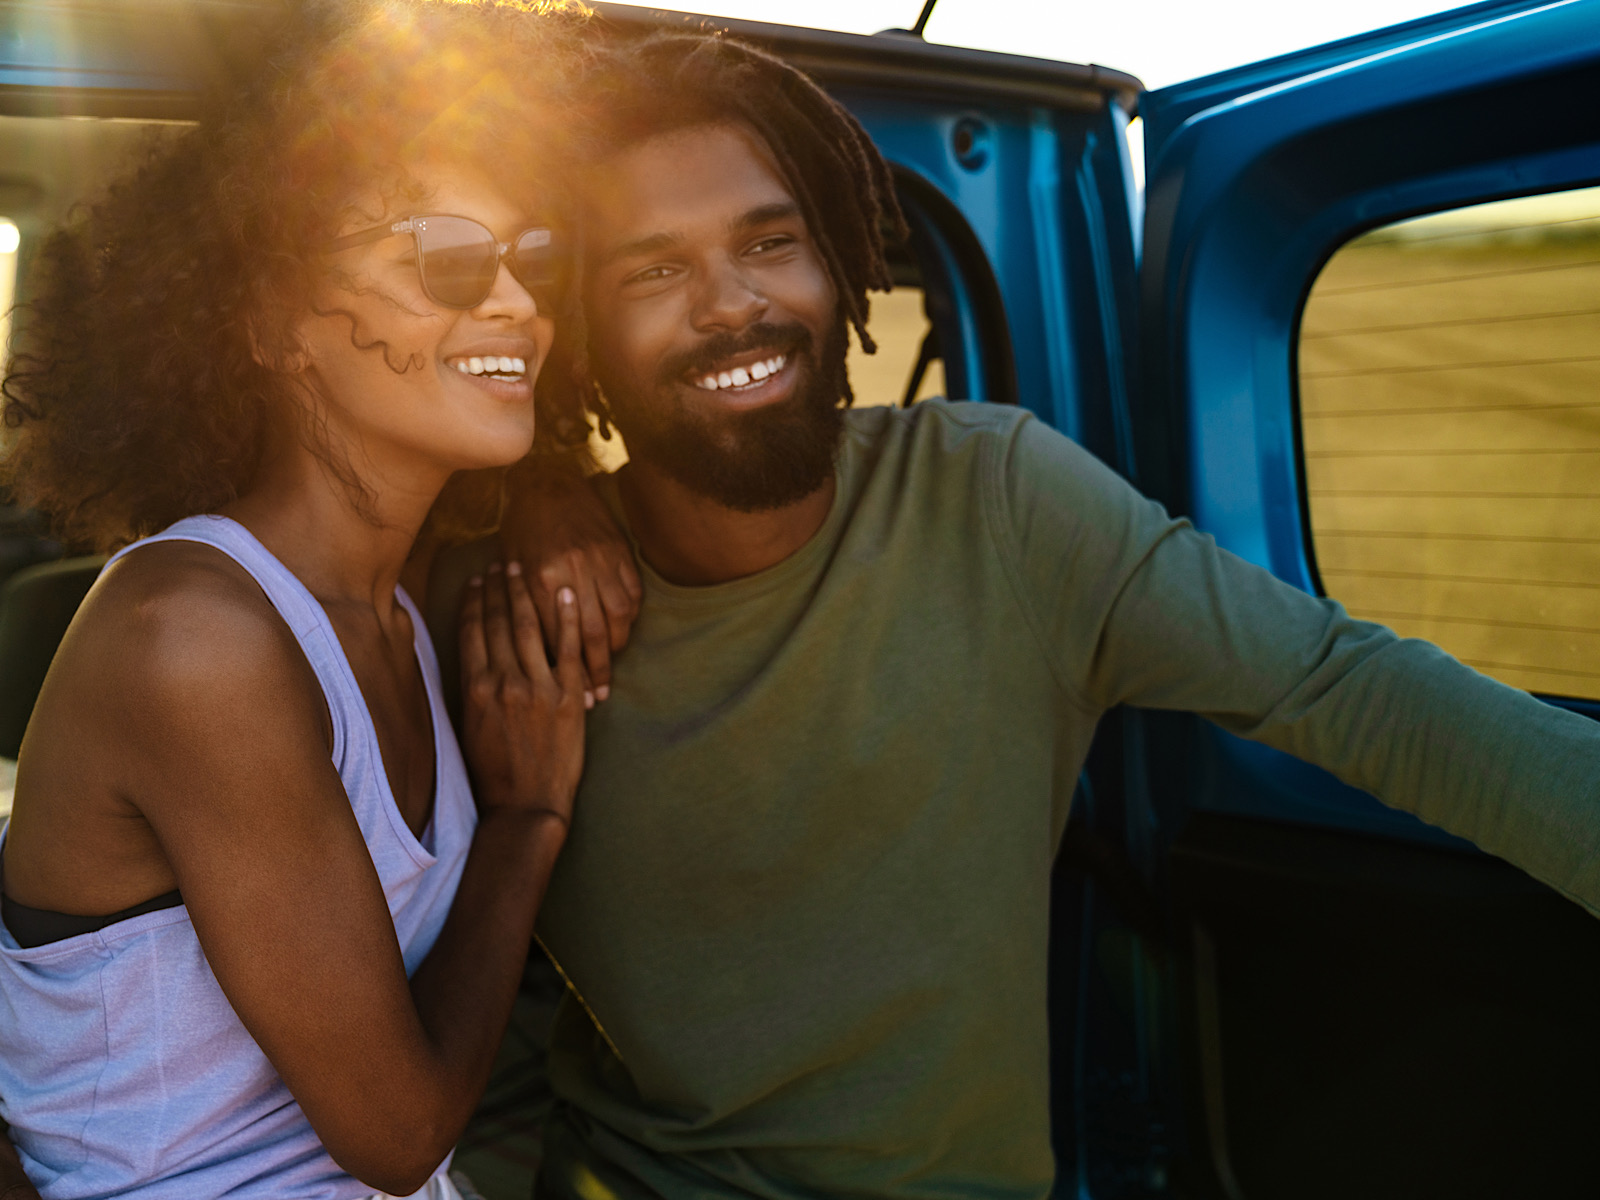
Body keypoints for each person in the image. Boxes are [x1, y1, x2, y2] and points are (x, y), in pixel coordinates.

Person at [470, 29, 1600, 1200]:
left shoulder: (994, 497)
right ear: (577, 329)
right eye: (652, 272)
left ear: (839, 263)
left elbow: (1338, 684)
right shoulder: (507, 597)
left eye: (769, 242)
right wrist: (533, 492)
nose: (731, 304)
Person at [0, 2, 597, 1197]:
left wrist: (559, 498)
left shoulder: (396, 602)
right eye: (445, 258)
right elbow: (399, 1135)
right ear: (273, 326)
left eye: (529, 259)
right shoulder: (193, 640)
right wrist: (528, 821)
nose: (517, 305)